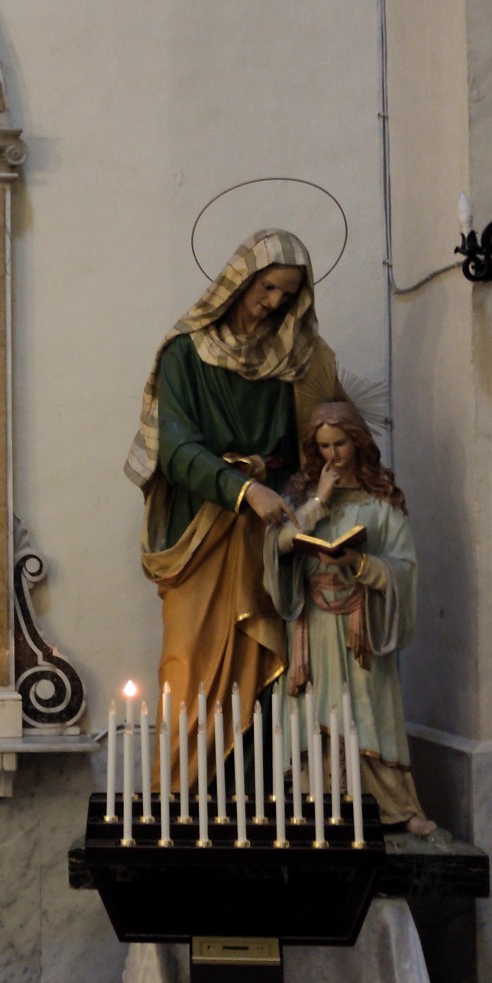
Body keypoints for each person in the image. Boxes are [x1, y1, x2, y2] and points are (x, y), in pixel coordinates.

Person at [126, 228, 346, 786]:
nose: (274, 302)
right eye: (267, 287)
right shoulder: (186, 353)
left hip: (267, 536)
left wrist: (308, 483)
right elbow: (175, 449)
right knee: (187, 661)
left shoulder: (296, 359)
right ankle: (180, 796)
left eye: (288, 295)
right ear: (238, 280)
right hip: (202, 530)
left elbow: (313, 442)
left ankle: (250, 793)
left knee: (263, 659)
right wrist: (244, 490)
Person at [265, 401, 434, 836]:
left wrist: (359, 563)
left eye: (339, 444)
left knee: (367, 709)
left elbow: (404, 568)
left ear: (357, 442)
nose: (332, 455)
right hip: (312, 624)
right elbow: (277, 545)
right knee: (315, 706)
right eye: (323, 446)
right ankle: (313, 802)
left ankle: (396, 807)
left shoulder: (382, 499)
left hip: (362, 625)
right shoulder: (301, 493)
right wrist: (319, 500)